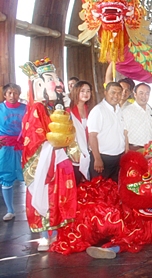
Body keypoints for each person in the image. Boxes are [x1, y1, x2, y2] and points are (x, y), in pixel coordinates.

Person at [20, 58, 77, 251]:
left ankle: (60, 230)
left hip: (60, 157)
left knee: (62, 194)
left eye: (57, 78)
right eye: (51, 78)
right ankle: (46, 234)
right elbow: (34, 138)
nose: (58, 83)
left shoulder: (55, 106)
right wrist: (53, 145)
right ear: (39, 85)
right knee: (46, 194)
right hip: (46, 159)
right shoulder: (37, 109)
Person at [88, 82, 125, 182]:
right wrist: (97, 159)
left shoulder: (119, 109)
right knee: (100, 191)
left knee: (114, 191)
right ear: (105, 93)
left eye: (119, 93)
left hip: (117, 158)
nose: (116, 96)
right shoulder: (98, 110)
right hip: (102, 158)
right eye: (113, 92)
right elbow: (92, 136)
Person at [0, 83, 26, 221]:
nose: (12, 96)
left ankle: (30, 209)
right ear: (5, 95)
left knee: (29, 177)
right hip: (5, 148)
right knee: (6, 178)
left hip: (23, 147)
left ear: (19, 94)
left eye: (15, 93)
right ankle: (10, 210)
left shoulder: (25, 109)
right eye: (9, 93)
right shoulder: (0, 109)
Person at [68, 80, 94, 184]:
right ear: (76, 92)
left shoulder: (91, 109)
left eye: (88, 91)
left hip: (88, 150)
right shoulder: (68, 110)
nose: (86, 94)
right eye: (82, 91)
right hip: (73, 153)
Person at [123, 83, 152, 151]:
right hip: (134, 149)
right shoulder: (128, 110)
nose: (144, 96)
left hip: (149, 150)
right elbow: (124, 133)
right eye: (141, 93)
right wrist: (127, 151)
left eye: (147, 93)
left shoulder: (150, 111)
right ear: (135, 94)